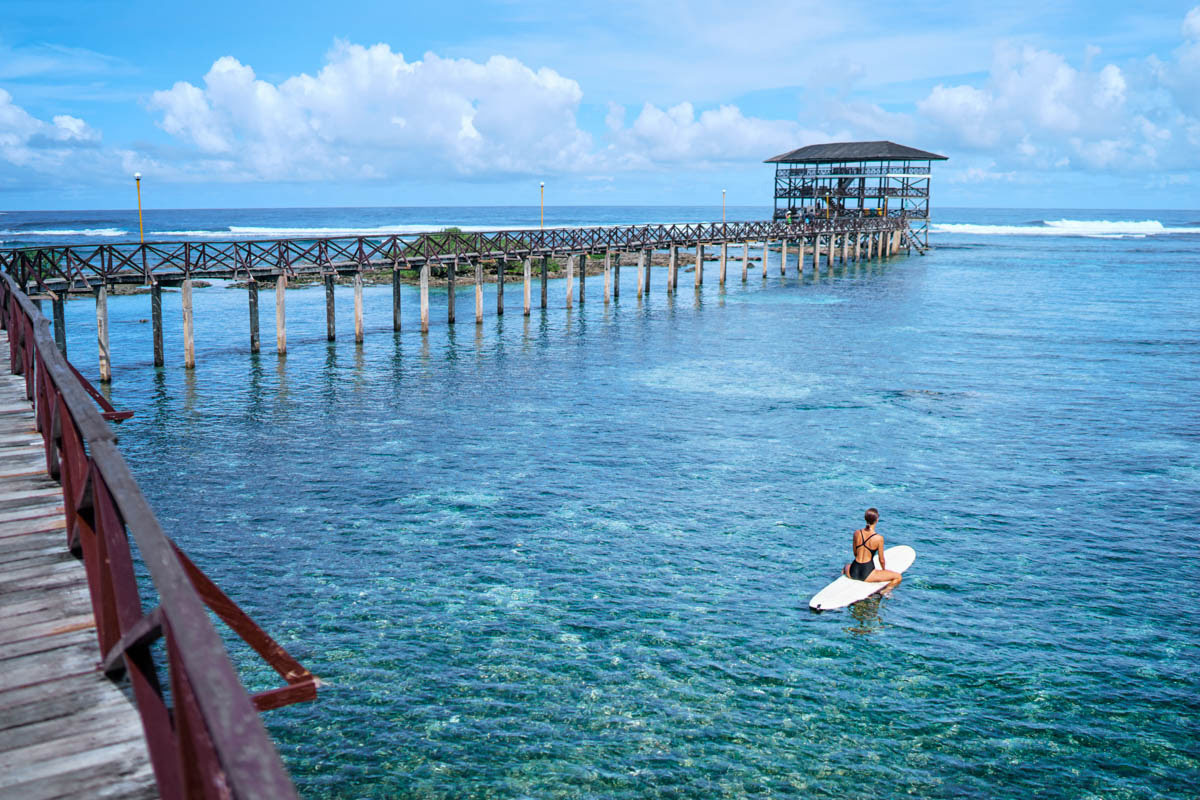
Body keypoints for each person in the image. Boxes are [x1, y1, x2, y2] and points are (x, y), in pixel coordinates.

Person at [842, 508, 902, 594]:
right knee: (898, 577)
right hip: (867, 573)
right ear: (877, 520)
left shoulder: (856, 533)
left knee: (846, 566)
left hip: (853, 570)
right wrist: (883, 570)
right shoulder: (879, 538)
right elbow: (881, 560)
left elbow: (855, 553)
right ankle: (885, 592)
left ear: (865, 519)